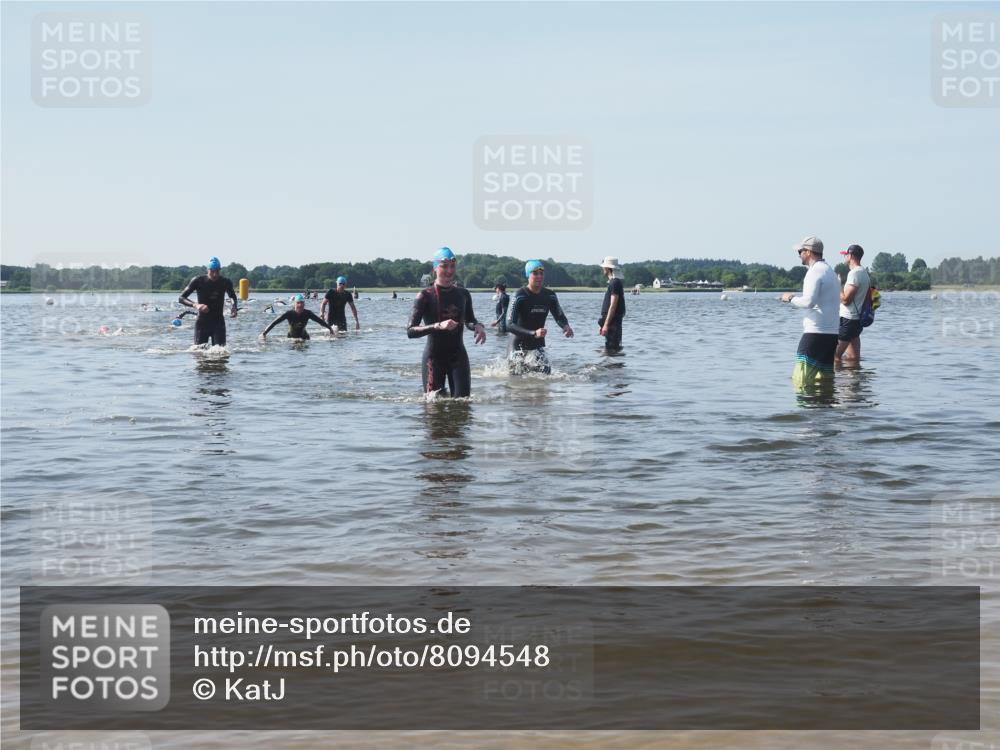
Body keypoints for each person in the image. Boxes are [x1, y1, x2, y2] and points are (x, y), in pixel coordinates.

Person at [406, 247, 486, 397]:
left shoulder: (463, 294)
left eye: (452, 266)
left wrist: (478, 326)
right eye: (444, 266)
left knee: (463, 406)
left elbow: (469, 320)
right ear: (435, 269)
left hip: (458, 357)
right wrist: (438, 326)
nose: (449, 271)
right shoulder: (424, 295)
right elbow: (410, 331)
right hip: (433, 359)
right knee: (433, 408)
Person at [781, 236, 841, 391]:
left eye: (800, 251)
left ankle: (805, 406)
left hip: (815, 334)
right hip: (831, 334)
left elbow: (809, 302)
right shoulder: (830, 271)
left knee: (801, 381)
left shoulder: (814, 271)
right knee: (824, 382)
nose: (799, 255)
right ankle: (825, 405)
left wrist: (790, 298)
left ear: (808, 252)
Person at [507, 260, 574, 374]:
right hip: (517, 344)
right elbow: (509, 325)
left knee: (546, 373)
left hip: (536, 344)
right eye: (535, 273)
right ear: (528, 275)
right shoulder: (519, 295)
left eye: (541, 273)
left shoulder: (550, 295)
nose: (539, 276)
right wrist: (533, 333)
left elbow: (559, 315)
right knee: (517, 378)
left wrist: (565, 326)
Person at [178, 257, 238, 346]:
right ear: (208, 270)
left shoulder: (225, 282)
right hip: (202, 322)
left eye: (217, 271)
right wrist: (196, 305)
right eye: (212, 271)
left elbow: (232, 296)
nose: (215, 274)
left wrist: (234, 307)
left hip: (218, 322)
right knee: (199, 351)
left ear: (220, 270)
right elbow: (181, 298)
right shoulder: (198, 281)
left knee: (220, 351)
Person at [835, 244, 871, 364]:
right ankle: (853, 376)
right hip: (856, 321)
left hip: (849, 320)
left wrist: (838, 285)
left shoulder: (855, 273)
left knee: (834, 356)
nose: (844, 257)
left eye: (845, 255)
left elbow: (846, 300)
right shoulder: (864, 272)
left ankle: (835, 376)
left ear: (850, 256)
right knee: (853, 358)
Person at [261, 294, 334, 340]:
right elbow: (274, 323)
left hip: (305, 337)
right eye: (298, 303)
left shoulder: (308, 313)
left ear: (304, 304)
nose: (300, 305)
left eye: (302, 303)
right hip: (291, 338)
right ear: (294, 304)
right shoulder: (289, 313)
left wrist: (330, 329)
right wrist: (264, 333)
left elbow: (320, 321)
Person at [598, 256, 626, 352]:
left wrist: (606, 324)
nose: (603, 269)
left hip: (613, 324)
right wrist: (603, 324)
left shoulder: (615, 283)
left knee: (612, 350)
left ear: (608, 268)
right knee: (610, 351)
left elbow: (613, 306)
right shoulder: (614, 283)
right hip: (611, 323)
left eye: (604, 267)